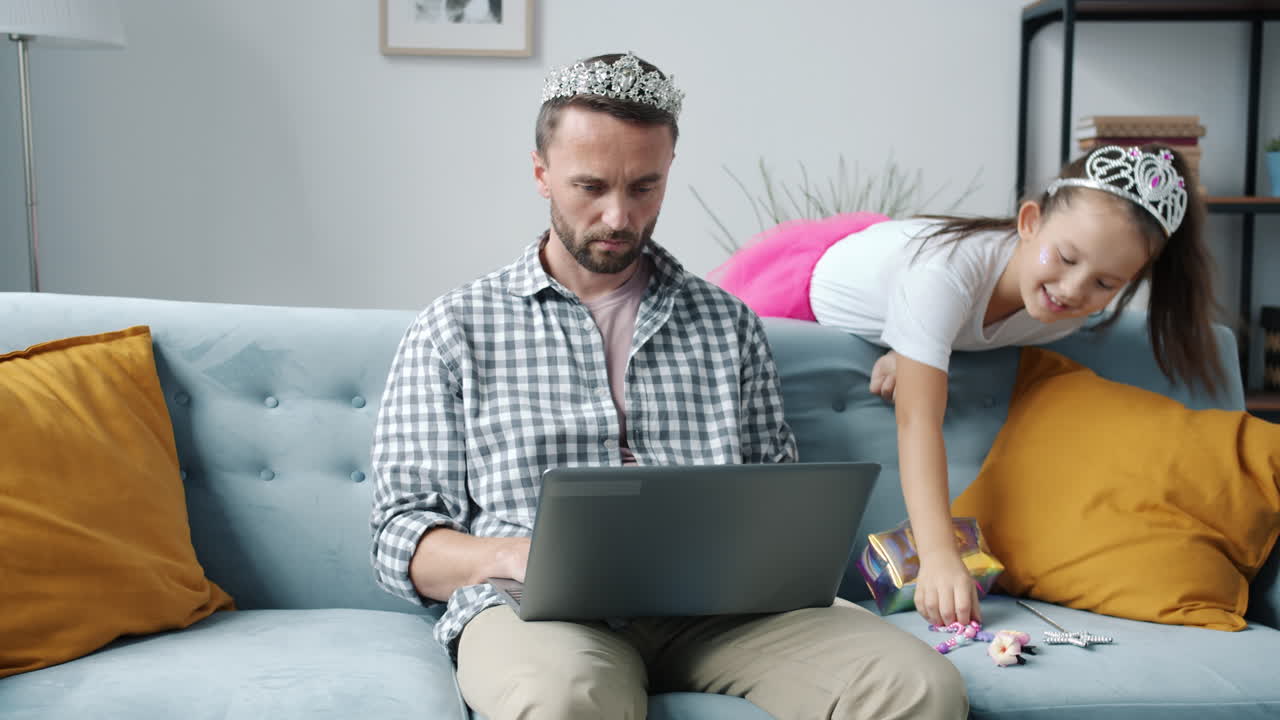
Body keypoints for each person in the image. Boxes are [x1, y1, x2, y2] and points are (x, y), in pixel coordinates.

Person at [370, 52, 967, 720]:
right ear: (541, 173)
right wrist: (513, 554)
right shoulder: (455, 328)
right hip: (538, 616)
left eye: (643, 187)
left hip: (725, 615)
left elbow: (776, 488)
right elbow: (399, 536)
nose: (619, 217)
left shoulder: (726, 324)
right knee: (561, 701)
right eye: (590, 187)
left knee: (918, 687)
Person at [709, 143, 1223, 630]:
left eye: (1106, 283)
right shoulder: (944, 277)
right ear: (1029, 222)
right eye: (1065, 259)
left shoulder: (1063, 312)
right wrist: (938, 558)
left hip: (909, 297)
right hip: (805, 291)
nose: (1074, 289)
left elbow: (978, 324)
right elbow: (916, 420)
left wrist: (921, 350)